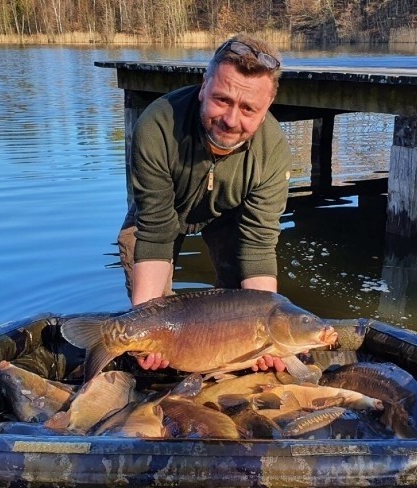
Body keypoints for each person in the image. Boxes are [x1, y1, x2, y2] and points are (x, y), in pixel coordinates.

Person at [117, 34, 292, 372]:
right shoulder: (157, 126)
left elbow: (258, 247)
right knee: (147, 335)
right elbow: (155, 232)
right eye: (222, 100)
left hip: (229, 215)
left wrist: (270, 334)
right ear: (203, 87)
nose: (231, 119)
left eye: (248, 109)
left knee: (241, 323)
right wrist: (147, 328)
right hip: (160, 214)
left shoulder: (273, 152)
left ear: (266, 107)